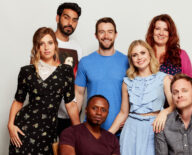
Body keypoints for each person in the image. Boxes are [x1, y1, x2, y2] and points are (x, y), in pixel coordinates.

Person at [8, 27, 79, 154]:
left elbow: (71, 104)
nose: (46, 47)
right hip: (24, 130)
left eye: (50, 43)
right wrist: (10, 125)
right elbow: (18, 101)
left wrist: (80, 132)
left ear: (55, 45)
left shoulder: (65, 71)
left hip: (49, 132)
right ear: (37, 47)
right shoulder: (26, 71)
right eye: (42, 43)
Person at [109, 40, 175, 155]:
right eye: (135, 55)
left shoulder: (164, 79)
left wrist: (164, 112)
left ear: (149, 54)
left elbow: (175, 105)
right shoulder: (127, 82)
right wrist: (106, 136)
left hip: (154, 128)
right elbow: (123, 113)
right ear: (131, 60)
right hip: (130, 130)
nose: (139, 57)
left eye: (142, 53)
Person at [75, 17, 129, 131]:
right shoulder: (85, 62)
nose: (106, 36)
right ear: (96, 35)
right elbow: (79, 95)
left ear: (116, 34)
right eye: (101, 32)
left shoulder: (127, 61)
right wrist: (76, 127)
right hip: (91, 130)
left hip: (120, 129)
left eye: (110, 32)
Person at [55, 2, 83, 136]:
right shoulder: (46, 41)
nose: (70, 23)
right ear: (57, 18)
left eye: (74, 20)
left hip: (71, 113)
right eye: (66, 17)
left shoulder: (78, 47)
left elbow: (78, 81)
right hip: (48, 113)